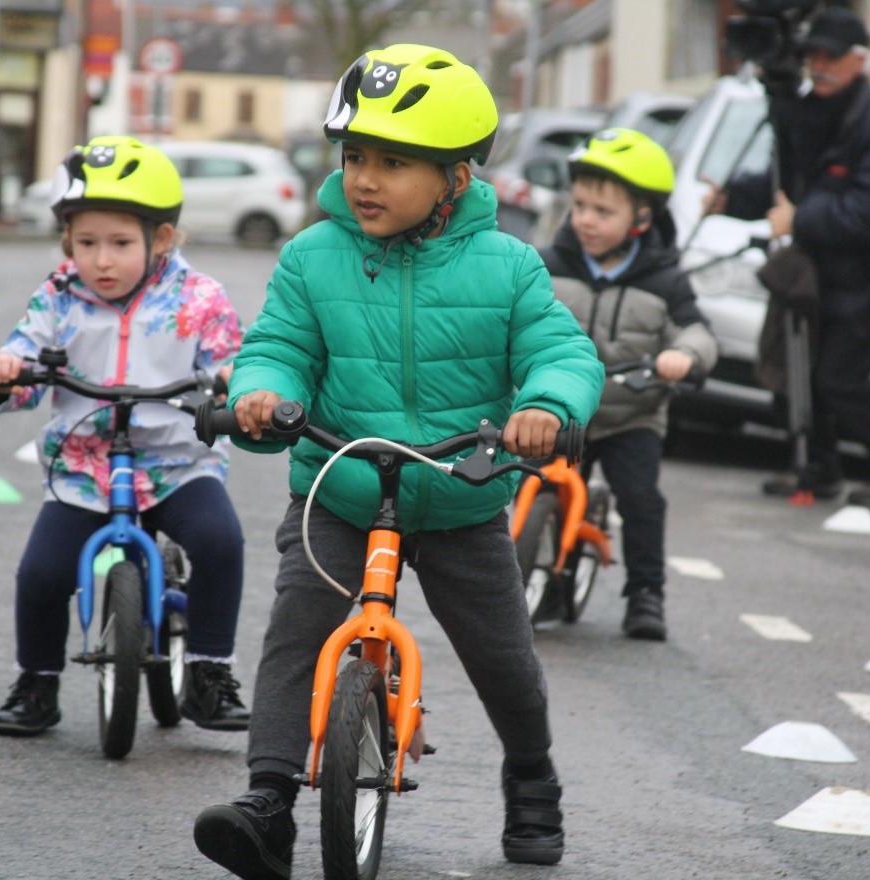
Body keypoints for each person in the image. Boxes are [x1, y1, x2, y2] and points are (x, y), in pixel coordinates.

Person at [192, 44, 604, 879]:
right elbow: (277, 346)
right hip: (342, 487)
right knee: (297, 635)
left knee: (504, 660)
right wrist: (262, 395)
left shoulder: (512, 265)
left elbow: (562, 351)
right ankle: (269, 801)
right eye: (353, 157)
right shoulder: (313, 255)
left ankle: (531, 773)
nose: (365, 179)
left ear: (454, 179)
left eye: (393, 162)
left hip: (461, 495)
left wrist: (543, 409)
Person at [0, 136, 251, 736]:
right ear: (67, 240)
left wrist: (235, 378)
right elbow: (23, 358)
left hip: (177, 461)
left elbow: (233, 356)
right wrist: (4, 371)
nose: (101, 260)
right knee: (42, 574)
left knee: (220, 540)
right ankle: (37, 683)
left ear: (163, 239)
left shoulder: (199, 299)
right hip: (84, 464)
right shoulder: (59, 296)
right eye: (86, 242)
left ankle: (208, 673)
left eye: (120, 244)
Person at [704, 6, 870, 508]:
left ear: (860, 60)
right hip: (824, 276)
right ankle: (818, 468)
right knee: (798, 370)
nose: (819, 66)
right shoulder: (816, 109)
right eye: (813, 56)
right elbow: (787, 178)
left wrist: (800, 221)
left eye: (831, 57)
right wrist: (732, 199)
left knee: (838, 379)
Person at [539, 128, 718, 642]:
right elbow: (508, 311)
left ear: (641, 218)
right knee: (526, 482)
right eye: (579, 206)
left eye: (603, 211)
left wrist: (683, 355)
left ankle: (646, 592)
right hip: (560, 409)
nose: (586, 220)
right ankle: (539, 569)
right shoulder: (550, 266)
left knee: (640, 498)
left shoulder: (665, 280)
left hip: (629, 413)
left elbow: (697, 332)